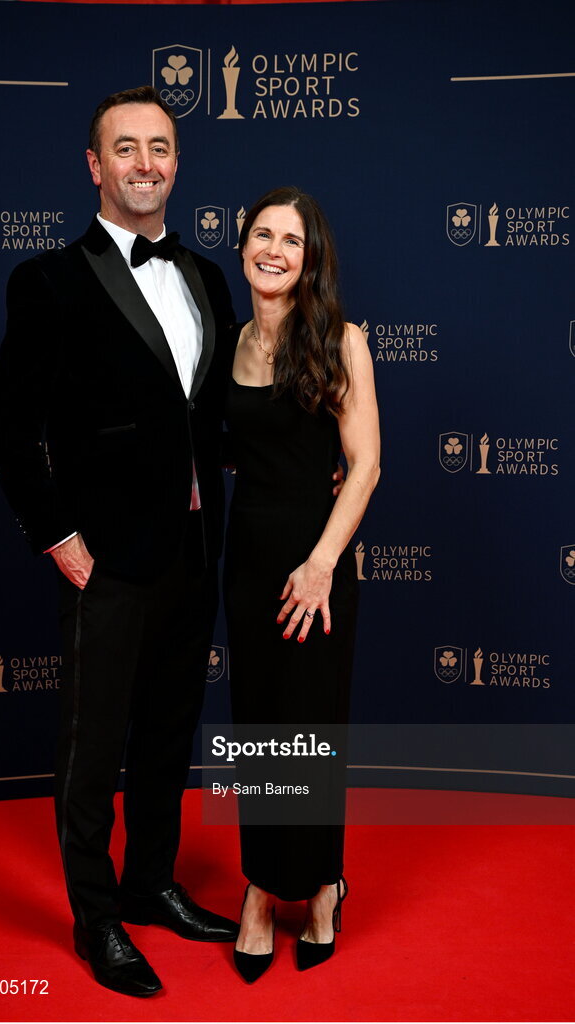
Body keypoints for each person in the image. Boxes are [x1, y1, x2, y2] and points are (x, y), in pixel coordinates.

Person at [0, 85, 241, 998]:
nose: (145, 164)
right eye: (125, 148)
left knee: (170, 736)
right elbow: (9, 429)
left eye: (159, 148)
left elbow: (210, 419)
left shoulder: (208, 276)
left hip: (192, 553)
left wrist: (316, 456)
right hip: (106, 560)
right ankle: (96, 921)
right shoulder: (48, 279)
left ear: (177, 162)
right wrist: (60, 536)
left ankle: (151, 885)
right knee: (94, 750)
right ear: (95, 166)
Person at [223, 186, 380, 981]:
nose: (274, 249)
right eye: (262, 234)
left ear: (311, 256)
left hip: (317, 569)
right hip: (246, 565)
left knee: (312, 731)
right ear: (242, 244)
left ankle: (320, 887)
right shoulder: (231, 344)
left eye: (292, 239)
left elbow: (367, 465)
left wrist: (321, 563)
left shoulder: (342, 341)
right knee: (260, 731)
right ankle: (259, 890)